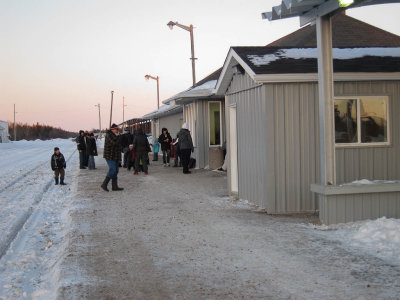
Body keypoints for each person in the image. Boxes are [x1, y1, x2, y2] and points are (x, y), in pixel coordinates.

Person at [101, 124, 124, 191]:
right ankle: (104, 184)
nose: (117, 130)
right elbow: (113, 143)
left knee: (116, 170)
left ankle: (114, 186)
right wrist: (119, 137)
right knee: (113, 169)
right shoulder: (108, 135)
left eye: (118, 129)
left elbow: (118, 144)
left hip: (115, 155)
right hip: (109, 155)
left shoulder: (115, 135)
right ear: (112, 129)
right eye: (116, 129)